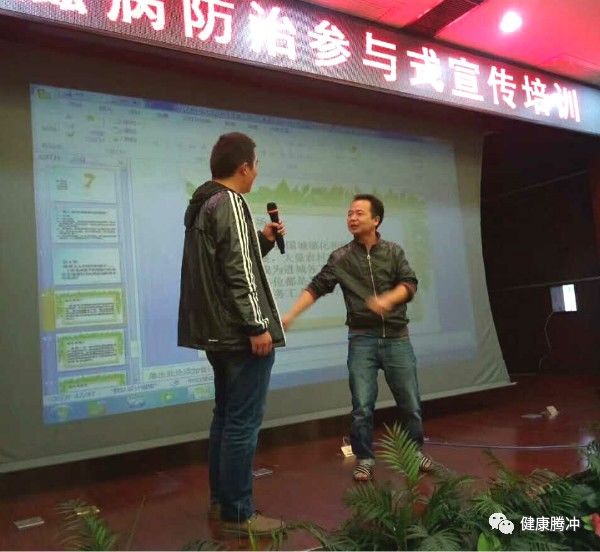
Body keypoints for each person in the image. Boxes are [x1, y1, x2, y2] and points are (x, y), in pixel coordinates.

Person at [178, 132, 286, 534]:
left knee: (225, 420)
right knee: (241, 424)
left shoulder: (203, 203)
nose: (256, 173)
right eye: (255, 165)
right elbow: (239, 272)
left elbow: (225, 261)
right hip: (240, 336)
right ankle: (239, 513)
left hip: (216, 335)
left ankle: (222, 504)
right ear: (244, 167)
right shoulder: (231, 202)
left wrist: (264, 241)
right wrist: (257, 325)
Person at [282, 194, 431, 481]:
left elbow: (410, 284)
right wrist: (290, 315)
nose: (352, 217)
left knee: (410, 403)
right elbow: (316, 287)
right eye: (350, 213)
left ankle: (415, 452)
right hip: (362, 339)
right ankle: (364, 458)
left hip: (397, 338)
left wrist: (389, 299)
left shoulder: (394, 252)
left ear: (376, 220)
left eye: (359, 213)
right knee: (362, 406)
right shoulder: (340, 258)